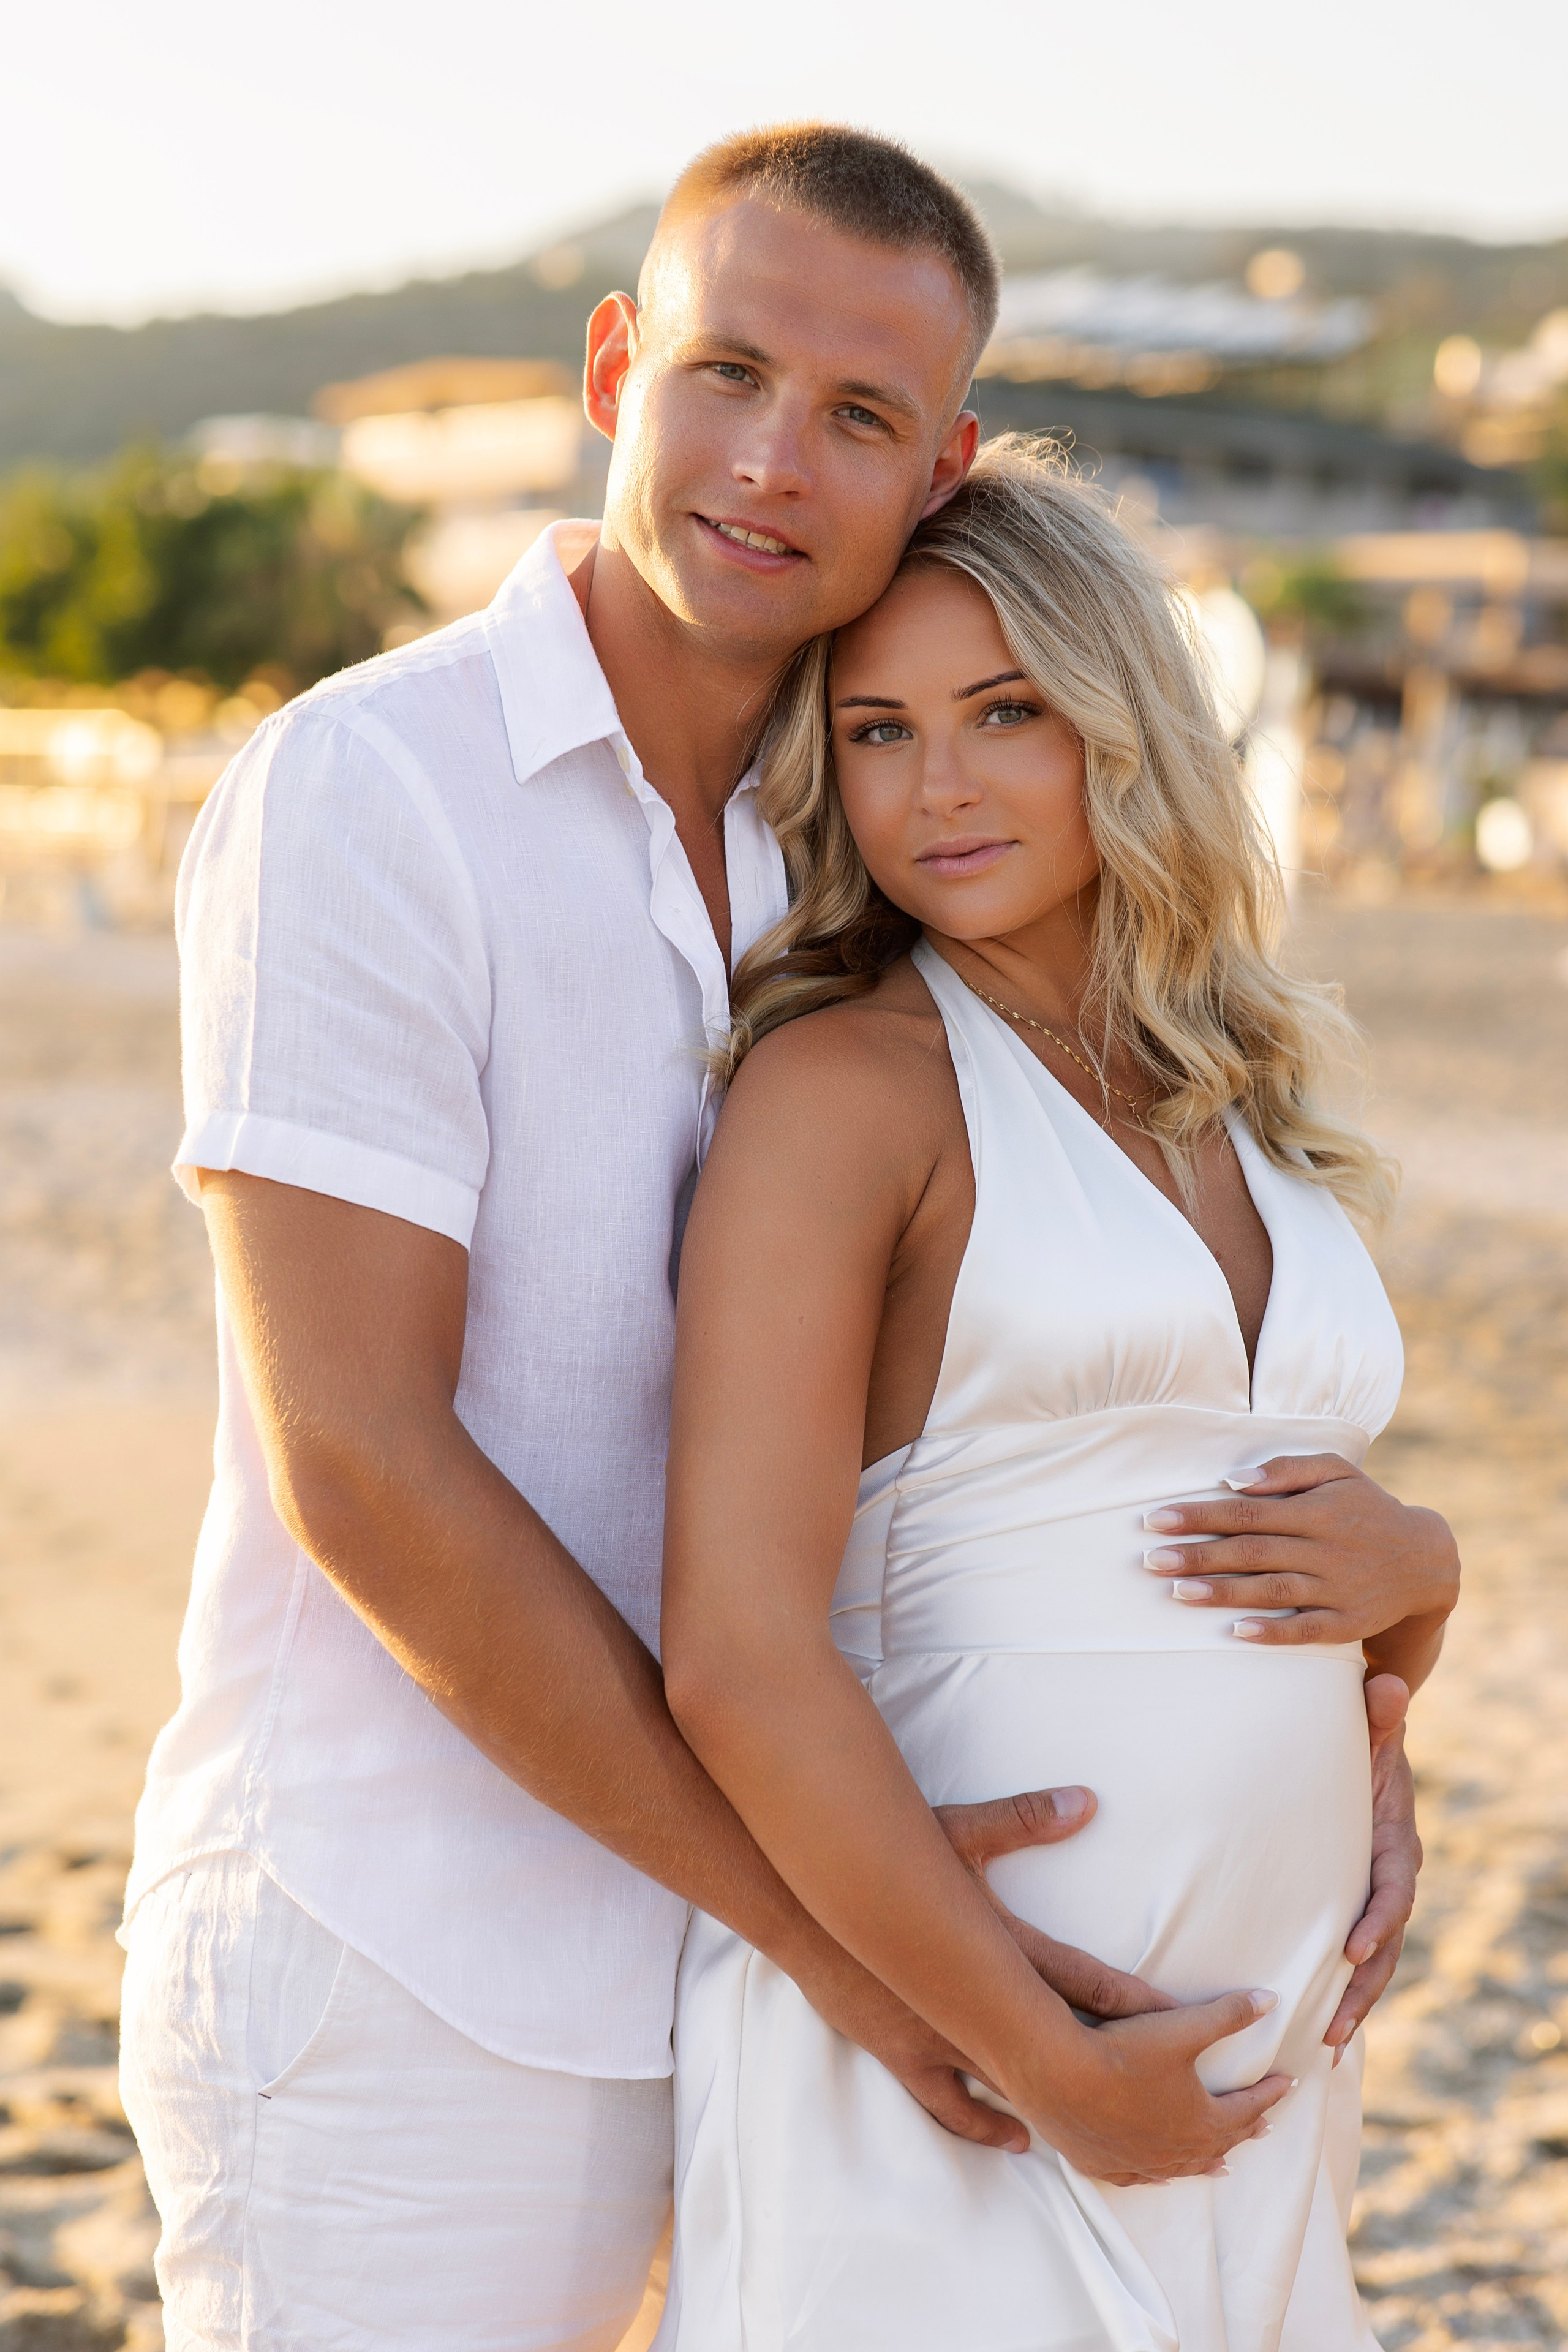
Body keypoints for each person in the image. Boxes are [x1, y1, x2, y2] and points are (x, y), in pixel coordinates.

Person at [115, 127, 1452, 2351]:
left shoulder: (850, 843)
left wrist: (1390, 1640)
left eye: (856, 415)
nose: (769, 460)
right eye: (727, 373)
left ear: (936, 469)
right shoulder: (377, 789)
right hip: (411, 1950)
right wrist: (879, 1960)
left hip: (784, 1952)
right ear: (615, 365)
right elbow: (360, 1460)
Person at [655, 439, 1458, 2348]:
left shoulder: (1237, 1102)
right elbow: (738, 1655)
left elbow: (1263, 1534)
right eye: (877, 731)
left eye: (1001, 713)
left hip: (1248, 2058)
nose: (935, 788)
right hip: (972, 2060)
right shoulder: (848, 1090)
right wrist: (1034, 2054)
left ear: (1120, 720)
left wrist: (1419, 1587)